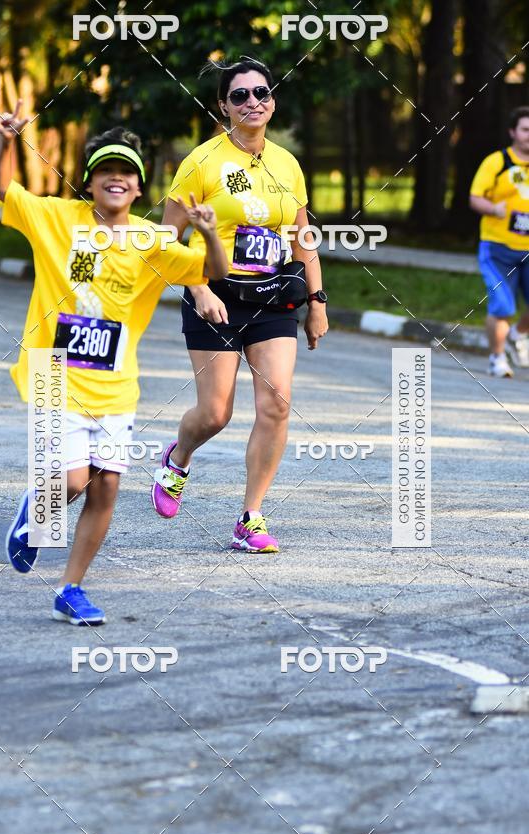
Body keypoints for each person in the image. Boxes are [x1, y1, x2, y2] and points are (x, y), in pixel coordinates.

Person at [0, 102, 227, 624]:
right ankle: (35, 514)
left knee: (107, 486)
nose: (115, 180)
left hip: (116, 387)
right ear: (89, 182)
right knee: (73, 481)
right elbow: (2, 190)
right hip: (55, 376)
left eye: (127, 174)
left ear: (139, 190)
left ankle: (70, 590)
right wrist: (6, 141)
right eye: (105, 172)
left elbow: (212, 269)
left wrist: (207, 231)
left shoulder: (150, 240)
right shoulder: (55, 217)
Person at [151, 58, 329, 552]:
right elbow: (167, 241)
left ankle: (251, 517)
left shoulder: (287, 164)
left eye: (262, 93)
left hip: (272, 298)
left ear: (273, 100)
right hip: (216, 297)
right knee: (215, 413)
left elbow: (302, 237)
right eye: (240, 96)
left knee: (276, 404)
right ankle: (178, 458)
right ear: (223, 106)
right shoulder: (201, 163)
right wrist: (199, 289)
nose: (253, 102)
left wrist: (316, 300)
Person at [470, 106, 529, 377]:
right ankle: (497, 358)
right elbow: (475, 198)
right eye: (525, 130)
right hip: (497, 248)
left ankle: (517, 335)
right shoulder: (497, 162)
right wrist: (494, 209)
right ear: (513, 132)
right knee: (503, 305)